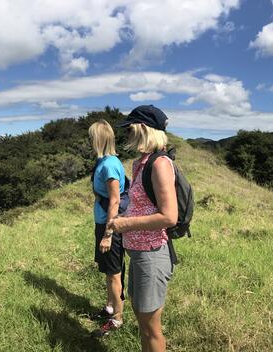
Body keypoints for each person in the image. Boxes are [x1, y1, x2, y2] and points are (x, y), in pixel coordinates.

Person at [108, 105, 177, 352]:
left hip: (151, 254)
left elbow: (169, 216)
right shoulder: (141, 164)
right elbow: (143, 206)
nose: (127, 136)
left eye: (130, 130)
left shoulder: (159, 164)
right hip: (137, 252)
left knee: (150, 327)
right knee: (142, 318)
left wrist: (125, 223)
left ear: (143, 129)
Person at [88, 120, 127, 337]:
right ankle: (110, 307)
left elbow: (114, 200)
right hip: (102, 221)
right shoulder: (103, 161)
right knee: (107, 270)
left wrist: (108, 234)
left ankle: (117, 319)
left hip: (110, 225)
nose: (89, 141)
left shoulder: (110, 164)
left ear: (99, 139)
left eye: (92, 137)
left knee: (114, 274)